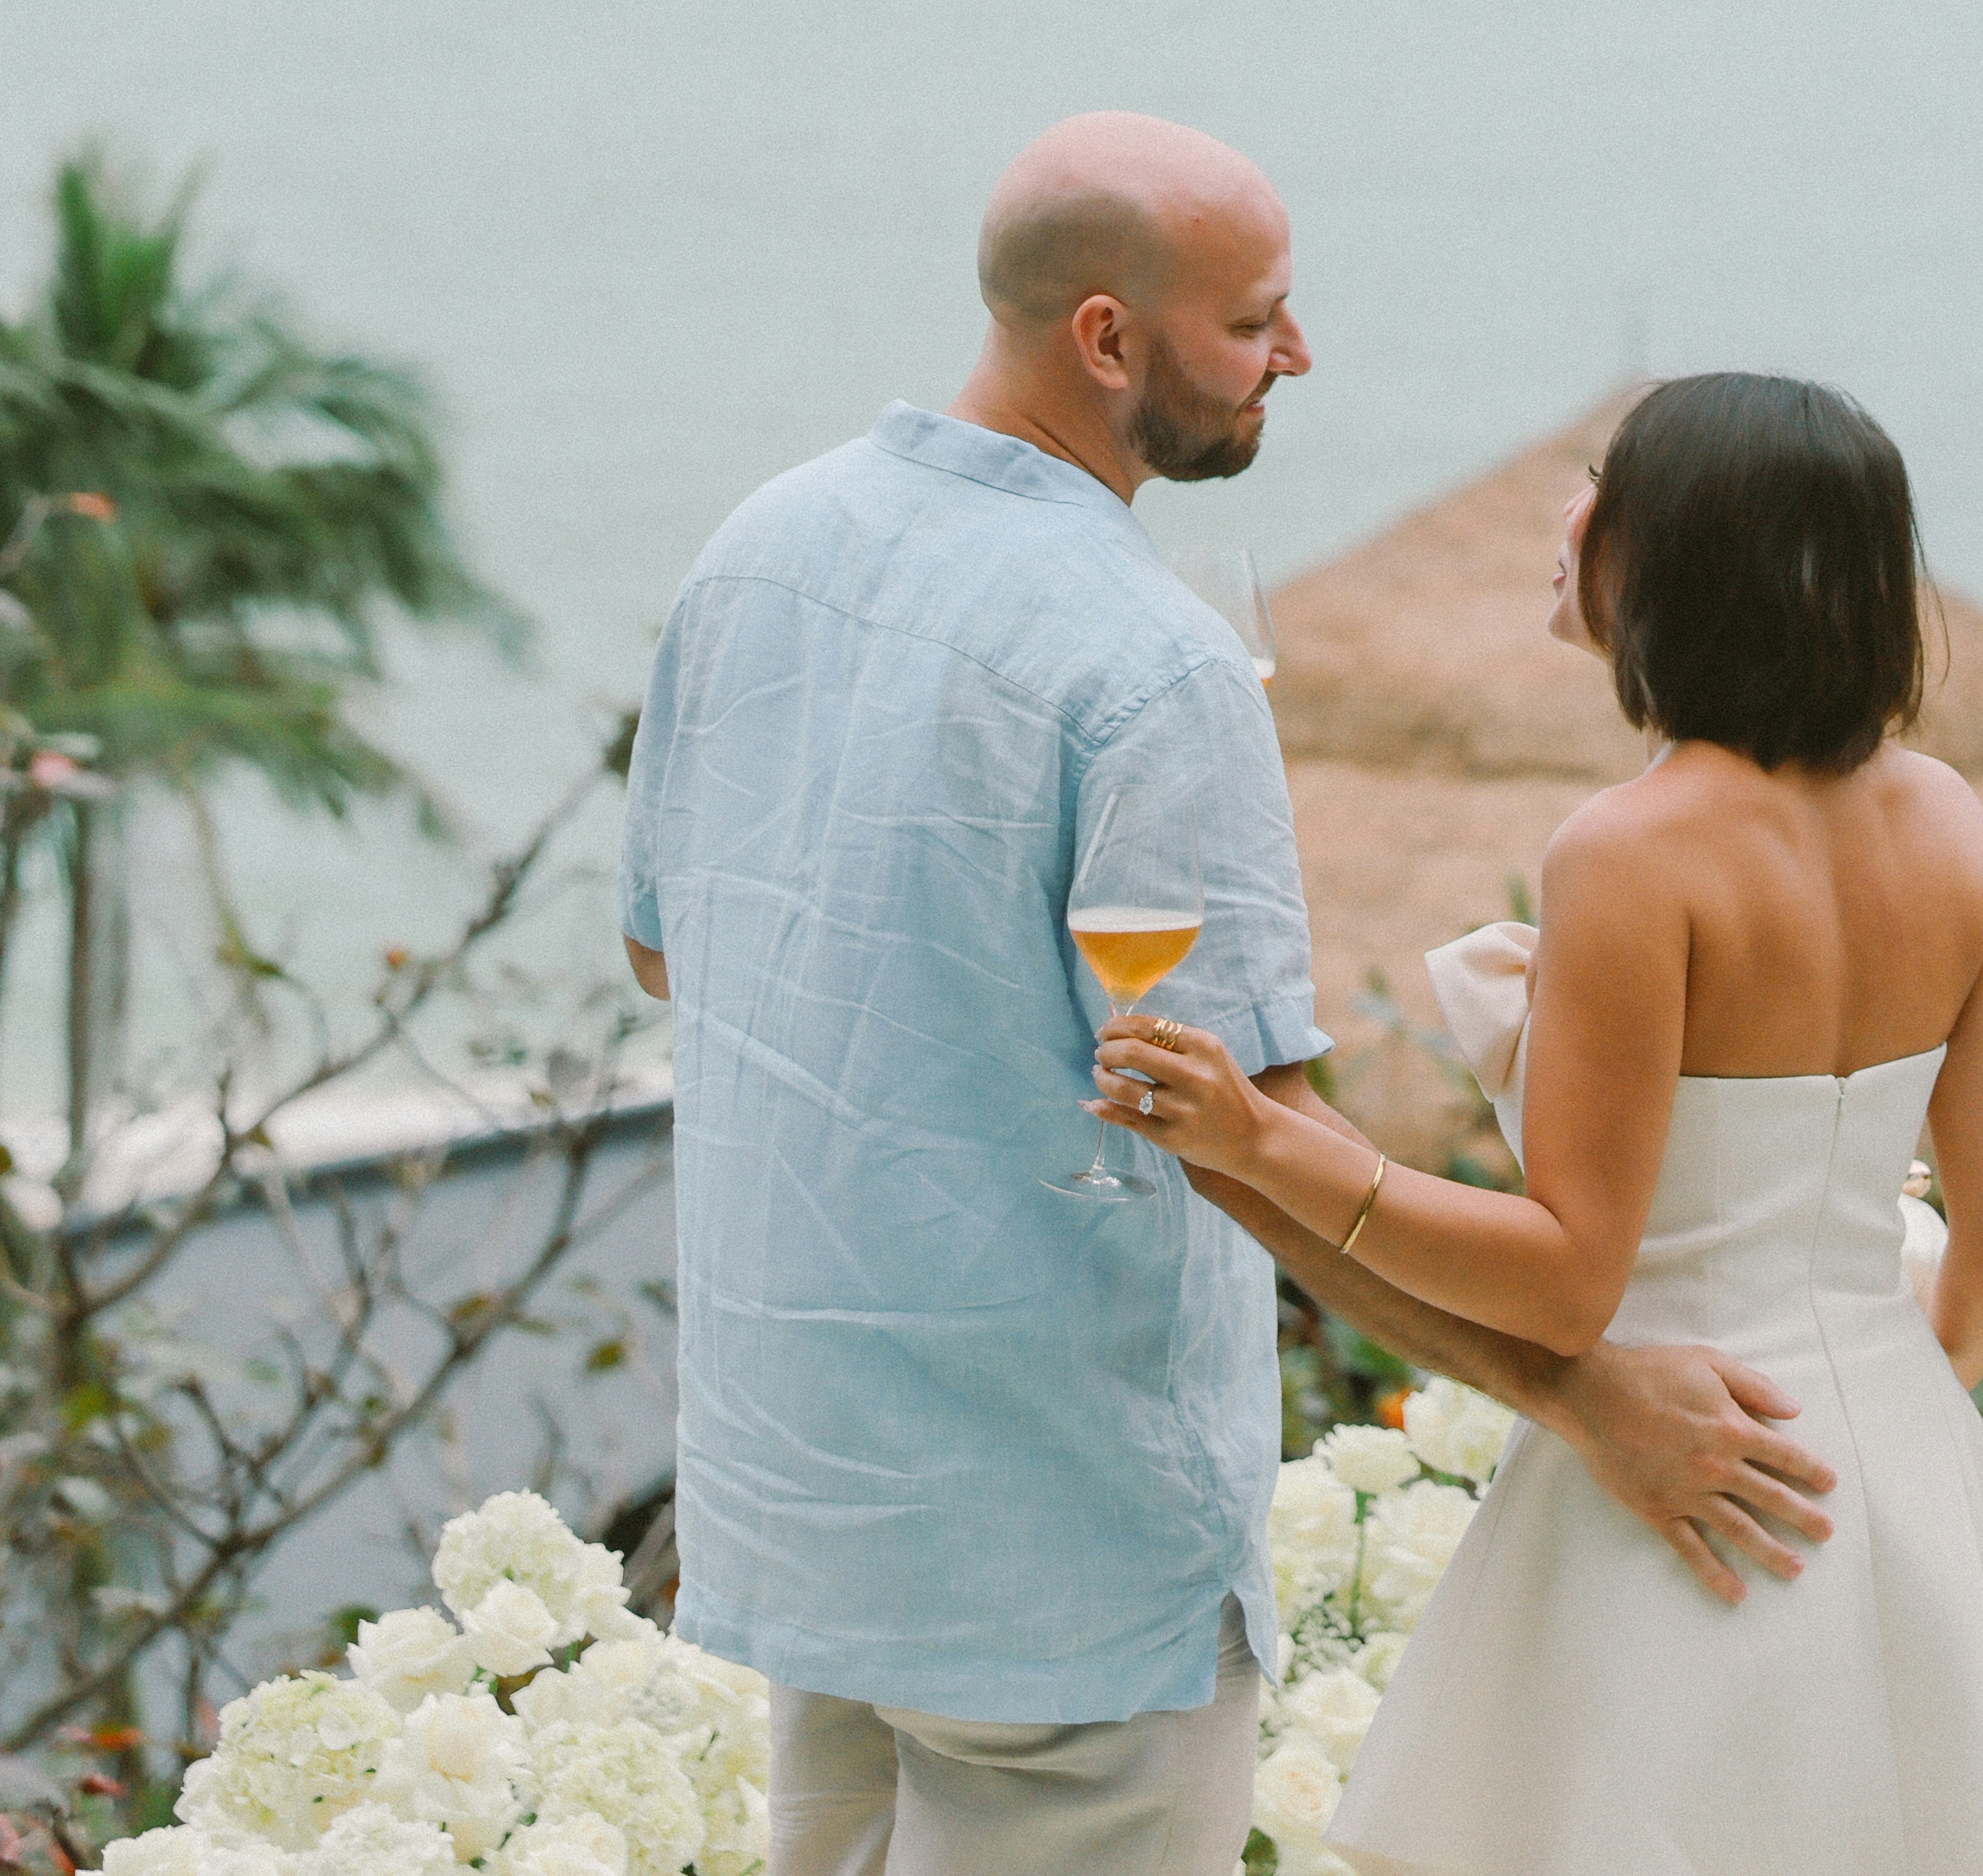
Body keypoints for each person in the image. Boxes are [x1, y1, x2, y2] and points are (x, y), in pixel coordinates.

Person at [618, 119, 1841, 1876]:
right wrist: (1590, 1399)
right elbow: (1254, 1146)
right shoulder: (1150, 661)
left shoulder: (758, 547)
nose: (1300, 356)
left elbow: (676, 948)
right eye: (1256, 321)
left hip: (805, 1494)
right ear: (1108, 340)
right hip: (1059, 1543)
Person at [1099, 367, 1983, 1876]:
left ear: (1679, 557)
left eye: (1601, 491)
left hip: (1693, 1498)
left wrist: (1265, 1142)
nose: (1564, 519)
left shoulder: (1631, 851)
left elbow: (1570, 1274)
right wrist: (1873, 1404)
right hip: (1892, 1483)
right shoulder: (1952, 817)